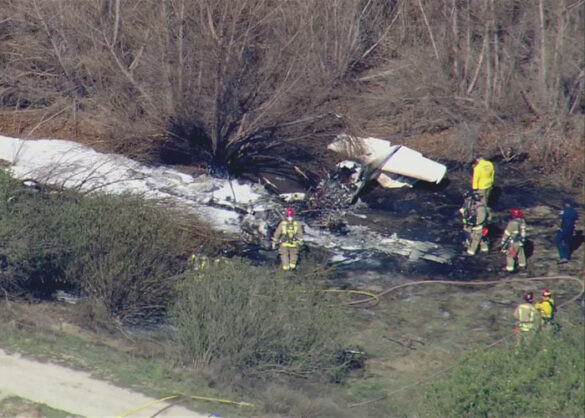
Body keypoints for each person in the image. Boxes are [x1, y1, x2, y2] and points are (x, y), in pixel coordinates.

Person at [464, 191, 489, 256]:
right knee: (479, 237)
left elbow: (481, 217)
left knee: (476, 238)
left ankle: (471, 251)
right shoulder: (472, 204)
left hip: (478, 225)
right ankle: (484, 248)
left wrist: (476, 224)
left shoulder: (480, 207)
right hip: (473, 224)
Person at [556, 198, 578, 264]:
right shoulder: (574, 212)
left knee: (558, 241)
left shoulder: (563, 211)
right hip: (570, 229)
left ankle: (562, 257)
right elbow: (576, 221)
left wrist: (559, 227)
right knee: (567, 243)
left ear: (566, 204)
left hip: (563, 228)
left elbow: (560, 220)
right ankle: (566, 257)